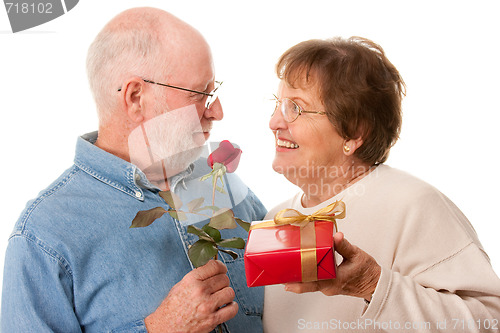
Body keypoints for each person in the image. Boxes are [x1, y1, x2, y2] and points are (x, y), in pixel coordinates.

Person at [1, 7, 266, 333]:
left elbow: (293, 294)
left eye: (214, 91)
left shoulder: (223, 186)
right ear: (136, 97)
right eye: (201, 94)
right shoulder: (43, 237)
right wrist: (159, 328)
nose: (218, 111)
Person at [264, 36, 500, 332]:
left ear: (353, 133)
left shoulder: (414, 205)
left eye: (295, 108)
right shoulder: (274, 219)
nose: (274, 122)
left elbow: (491, 321)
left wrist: (373, 285)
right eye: (277, 105)